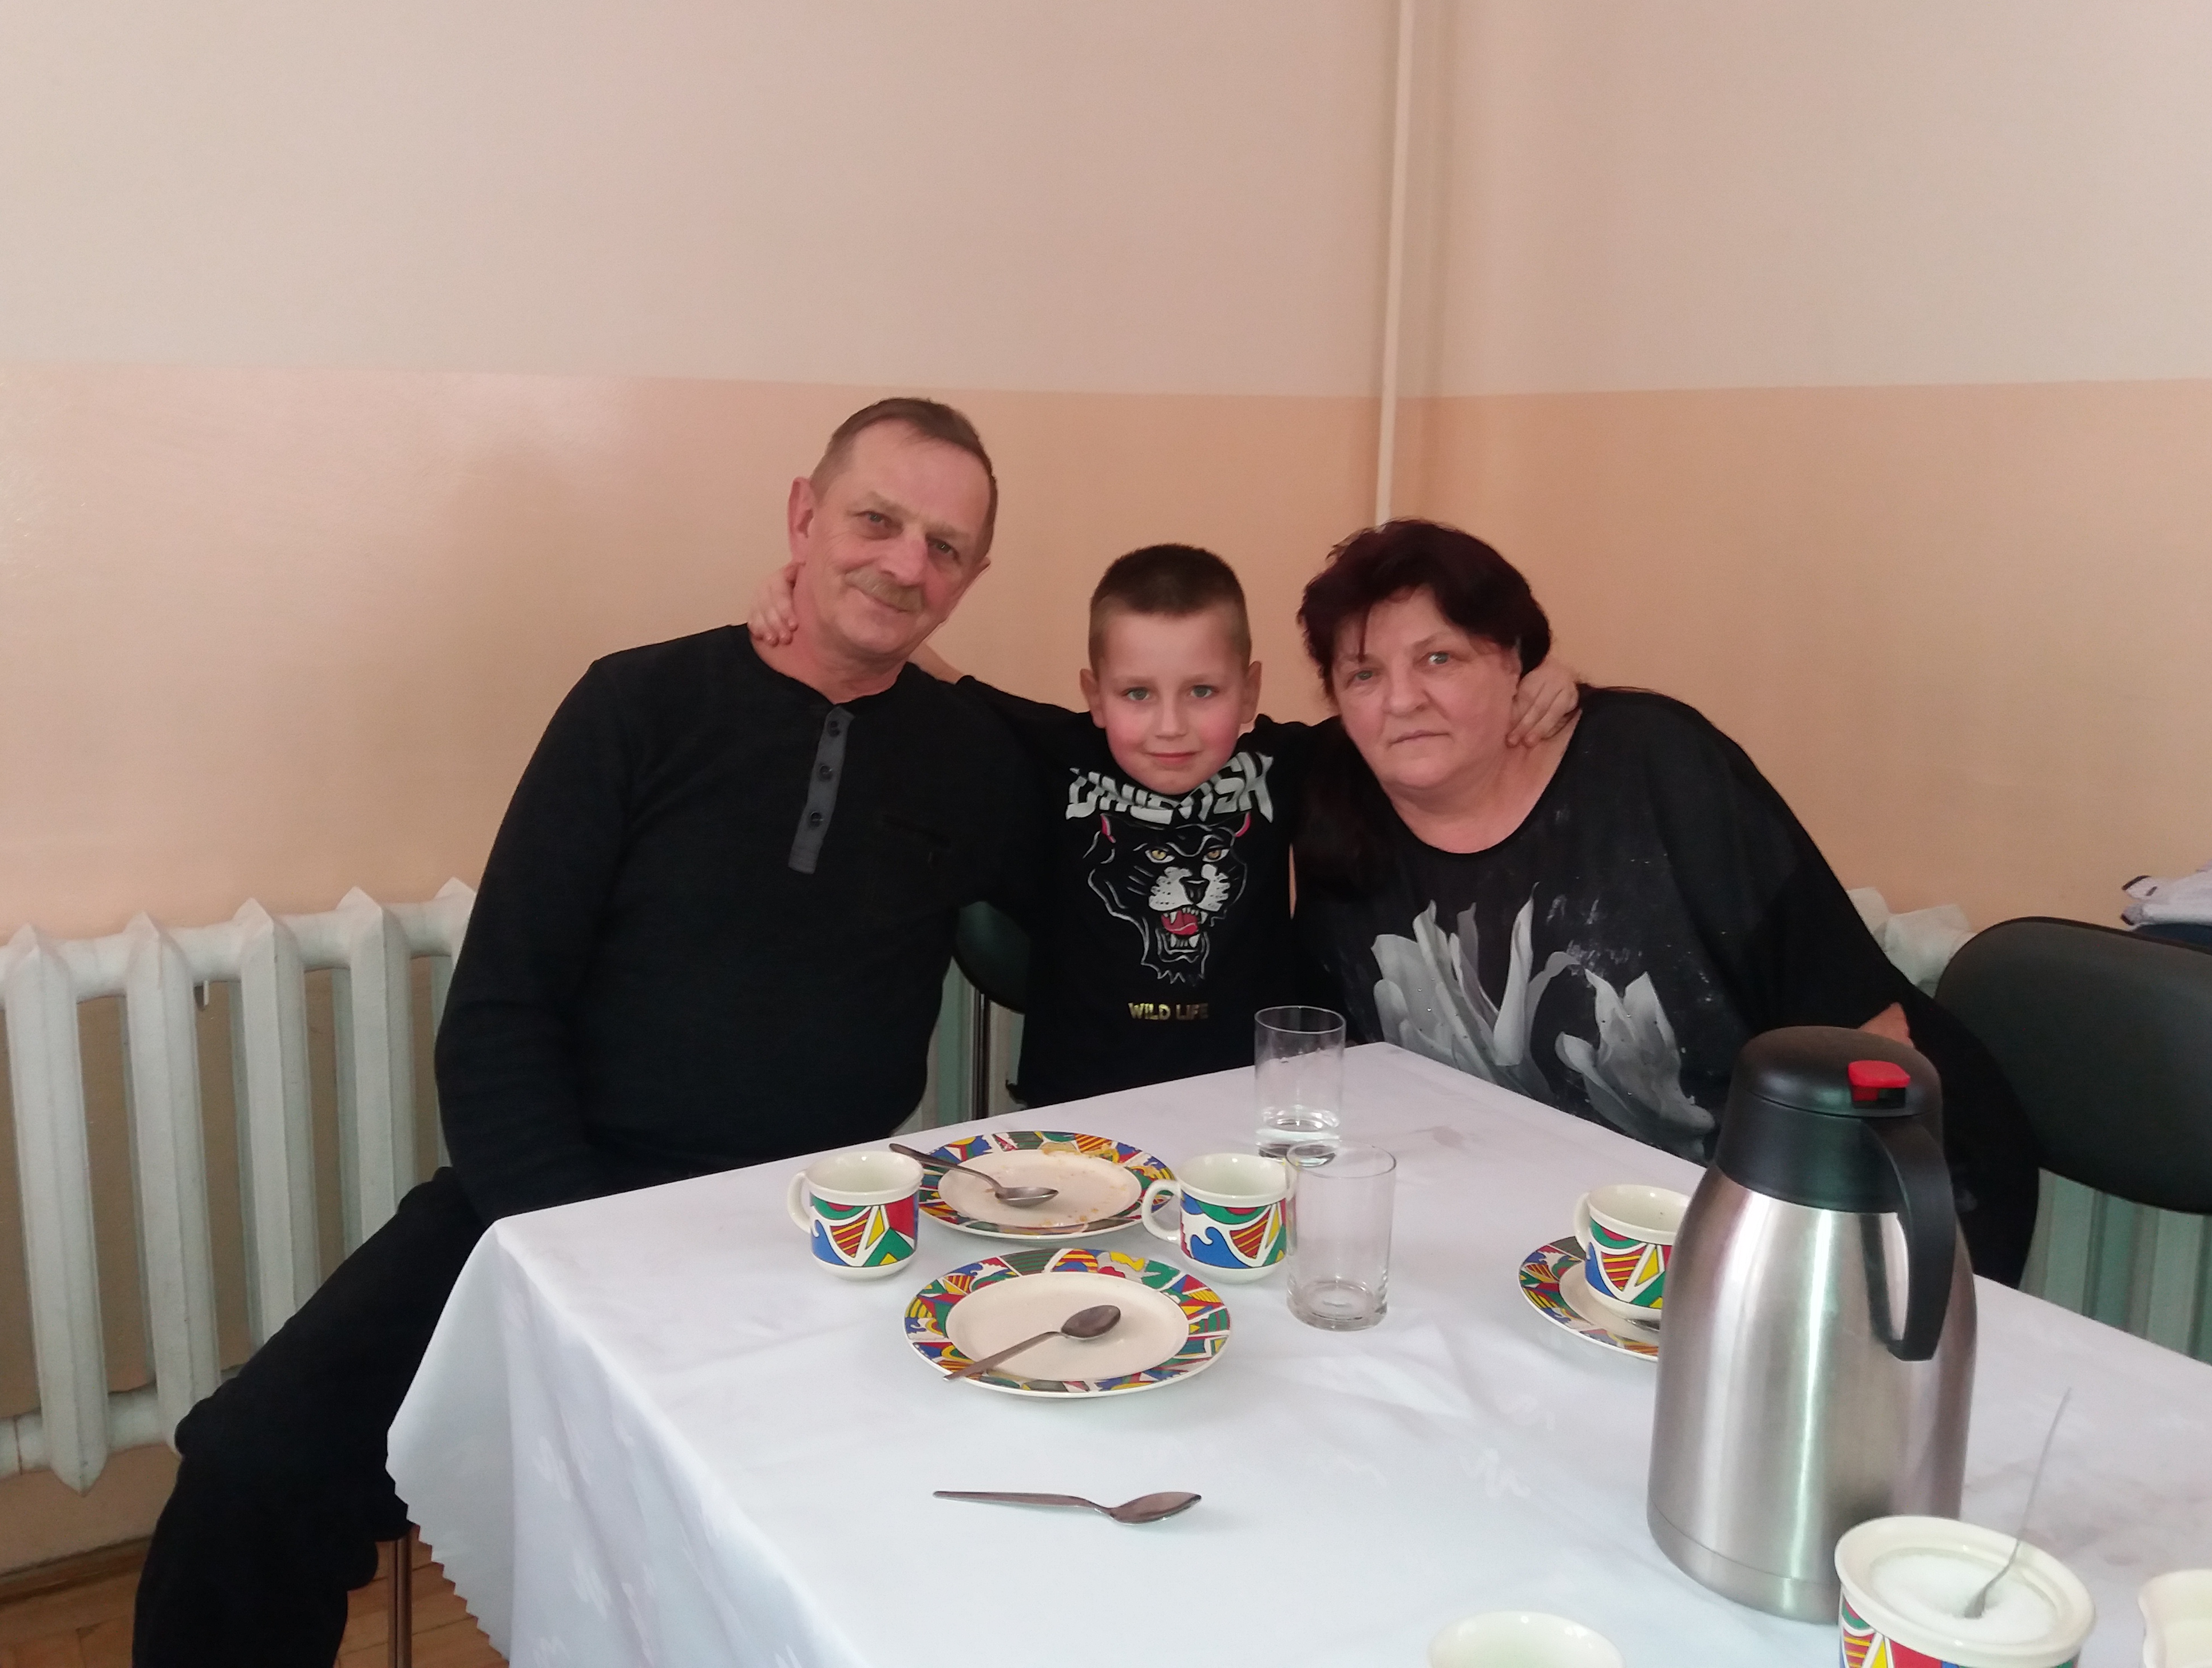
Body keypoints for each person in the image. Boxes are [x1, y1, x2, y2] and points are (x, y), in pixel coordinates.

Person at [132, 399, 1040, 1667]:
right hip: (549, 1206)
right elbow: (498, 1014)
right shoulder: (638, 704)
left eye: (944, 548)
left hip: (813, 1235)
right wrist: (581, 1252)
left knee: (863, 1523)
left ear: (974, 579)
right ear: (801, 515)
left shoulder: (977, 761)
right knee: (251, 1466)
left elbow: (1149, 755)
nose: (904, 564)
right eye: (875, 521)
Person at [1291, 519, 2040, 1281]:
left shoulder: (1651, 767)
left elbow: (1867, 1037)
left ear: (1514, 658)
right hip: (1572, 1236)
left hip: (1849, 1193)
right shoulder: (1331, 798)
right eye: (1364, 675)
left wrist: (1826, 1271)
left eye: (1440, 658)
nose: (1402, 700)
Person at [751, 542, 1577, 1103]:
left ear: (1250, 692)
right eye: (1138, 694)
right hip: (1078, 1105)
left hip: (1248, 1100)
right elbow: (923, 669)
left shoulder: (1291, 761)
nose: (1170, 727)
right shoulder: (1054, 751)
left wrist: (1544, 677)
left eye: (1203, 692)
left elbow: (1415, 718)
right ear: (1095, 693)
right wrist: (805, 599)